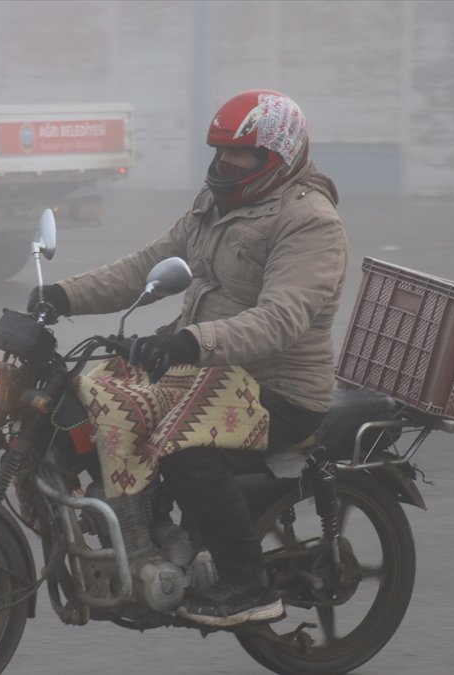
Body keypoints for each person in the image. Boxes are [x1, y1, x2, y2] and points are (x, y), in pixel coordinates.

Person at [29, 89, 347, 627]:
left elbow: (280, 319)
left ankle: (249, 586)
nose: (225, 164)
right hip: (209, 371)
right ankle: (142, 530)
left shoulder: (309, 221)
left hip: (279, 389)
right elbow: (145, 266)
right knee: (80, 403)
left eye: (240, 154)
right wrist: (60, 297)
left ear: (279, 156)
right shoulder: (214, 203)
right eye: (220, 151)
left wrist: (188, 343)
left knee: (184, 444)